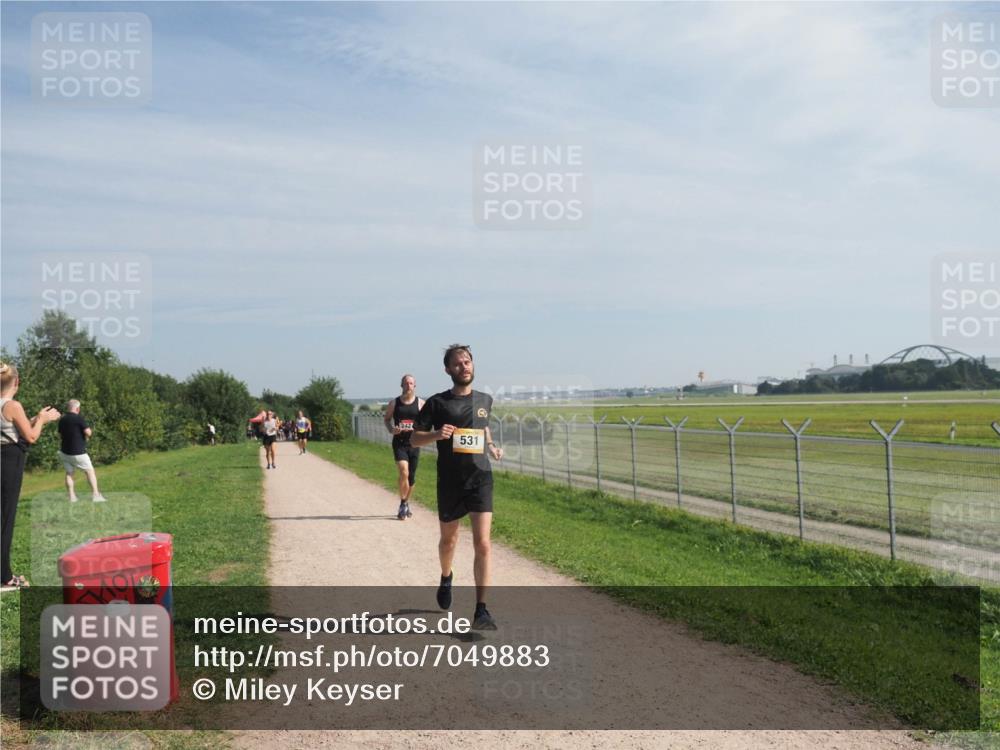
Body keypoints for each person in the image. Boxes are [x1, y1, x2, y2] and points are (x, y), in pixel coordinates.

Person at [411, 344, 503, 630]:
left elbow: (482, 426)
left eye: (467, 361)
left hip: (480, 478)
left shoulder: (485, 400)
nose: (464, 367)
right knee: (448, 541)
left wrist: (490, 445)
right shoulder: (437, 404)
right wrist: (438, 434)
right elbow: (414, 439)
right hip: (450, 481)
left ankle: (481, 610)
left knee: (483, 544)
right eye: (458, 363)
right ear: (448, 370)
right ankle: (446, 576)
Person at [1, 362, 61, 591]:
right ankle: (5, 578)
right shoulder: (12, 405)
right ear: (16, 382)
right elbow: (31, 437)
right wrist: (43, 421)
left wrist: (37, 418)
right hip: (9, 464)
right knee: (6, 520)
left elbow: (16, 431)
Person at [384, 374, 424, 521]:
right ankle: (403, 503)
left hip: (414, 443)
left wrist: (421, 430)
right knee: (404, 472)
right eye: (406, 383)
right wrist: (391, 429)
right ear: (401, 385)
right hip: (400, 443)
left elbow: (427, 421)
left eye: (411, 383)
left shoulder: (421, 403)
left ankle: (405, 502)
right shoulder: (394, 403)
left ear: (415, 386)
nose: (408, 385)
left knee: (411, 478)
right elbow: (387, 419)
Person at [57, 400, 105, 503]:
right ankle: (96, 495)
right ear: (77, 409)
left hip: (65, 452)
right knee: (89, 472)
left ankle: (71, 497)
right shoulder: (78, 418)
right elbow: (89, 432)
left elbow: (60, 435)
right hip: (78, 452)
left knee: (69, 473)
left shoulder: (62, 419)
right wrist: (86, 436)